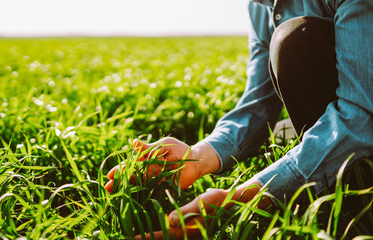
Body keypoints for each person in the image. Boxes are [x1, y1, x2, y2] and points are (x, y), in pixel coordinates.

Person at [105, 0, 373, 238]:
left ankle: (357, 186)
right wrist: (196, 158)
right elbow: (257, 105)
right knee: (282, 133)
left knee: (295, 41)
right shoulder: (260, 7)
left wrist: (241, 198)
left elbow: (360, 115)